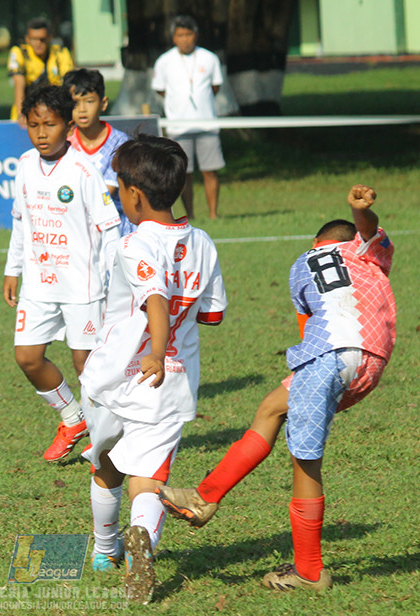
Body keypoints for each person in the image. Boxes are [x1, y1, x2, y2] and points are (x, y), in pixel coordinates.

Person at [157, 184, 396, 594]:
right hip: (371, 358)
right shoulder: (367, 251)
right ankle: (205, 496)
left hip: (327, 357)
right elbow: (370, 227)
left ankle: (309, 572)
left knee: (305, 459)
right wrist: (362, 212)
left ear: (316, 243)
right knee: (271, 407)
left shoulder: (304, 262)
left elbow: (309, 331)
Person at [78, 134, 227, 604]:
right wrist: (167, 351)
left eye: (118, 188)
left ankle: (105, 551)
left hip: (112, 378)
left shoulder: (133, 243)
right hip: (167, 385)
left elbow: (155, 300)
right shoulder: (202, 242)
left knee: (106, 466)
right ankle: (141, 537)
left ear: (134, 195)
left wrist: (155, 348)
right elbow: (211, 315)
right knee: (148, 479)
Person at [3, 85, 121, 462]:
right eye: (34, 124)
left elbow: (110, 228)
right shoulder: (23, 165)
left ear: (67, 126)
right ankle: (72, 417)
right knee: (27, 357)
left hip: (82, 286)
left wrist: (112, 278)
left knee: (86, 365)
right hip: (38, 283)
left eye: (49, 125)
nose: (41, 133)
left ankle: (109, 439)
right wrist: (12, 269)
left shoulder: (84, 170)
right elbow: (21, 222)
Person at [151, 14, 225, 221]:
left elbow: (215, 87)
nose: (184, 39)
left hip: (207, 123)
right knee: (184, 174)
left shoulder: (209, 58)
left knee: (210, 170)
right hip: (178, 126)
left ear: (196, 35)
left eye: (188, 34)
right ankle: (189, 214)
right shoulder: (164, 61)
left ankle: (213, 213)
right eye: (180, 35)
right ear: (173, 38)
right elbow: (161, 90)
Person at [62, 68, 132, 235]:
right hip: (76, 228)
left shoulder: (119, 143)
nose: (82, 109)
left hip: (115, 228)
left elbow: (107, 193)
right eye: (75, 103)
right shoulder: (65, 143)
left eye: (89, 101)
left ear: (104, 103)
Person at [7, 18, 74, 125]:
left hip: (54, 112)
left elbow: (68, 83)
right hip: (25, 112)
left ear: (49, 38)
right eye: (34, 39)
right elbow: (19, 83)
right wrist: (21, 114)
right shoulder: (19, 52)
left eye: (42, 39)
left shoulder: (61, 53)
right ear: (27, 39)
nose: (38, 43)